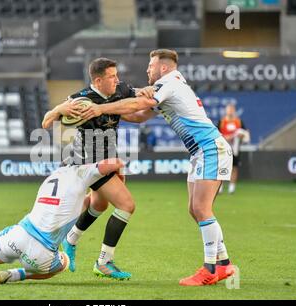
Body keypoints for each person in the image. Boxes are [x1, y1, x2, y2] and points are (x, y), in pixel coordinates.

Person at [78, 49, 236, 286]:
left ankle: (209, 269)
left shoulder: (168, 82)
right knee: (195, 210)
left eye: (150, 66)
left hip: (210, 149)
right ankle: (223, 265)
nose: (147, 70)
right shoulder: (168, 86)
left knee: (202, 209)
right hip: (200, 152)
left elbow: (139, 103)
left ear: (163, 67)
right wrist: (106, 112)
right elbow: (140, 115)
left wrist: (102, 108)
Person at [42, 58, 138, 280]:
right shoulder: (79, 99)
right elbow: (46, 123)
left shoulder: (121, 90)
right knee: (126, 205)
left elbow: (140, 99)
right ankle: (104, 261)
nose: (117, 80)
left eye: (116, 75)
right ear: (98, 80)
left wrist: (153, 93)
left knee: (99, 204)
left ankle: (71, 239)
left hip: (108, 158)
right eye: (112, 76)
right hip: (87, 162)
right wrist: (59, 108)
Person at [217, 104, 250, 194]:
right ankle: (220, 186)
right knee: (221, 166)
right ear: (226, 111)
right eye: (229, 109)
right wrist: (226, 137)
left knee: (234, 167)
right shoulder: (222, 121)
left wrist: (241, 135)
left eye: (232, 109)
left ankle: (232, 187)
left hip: (235, 148)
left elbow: (246, 133)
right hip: (223, 147)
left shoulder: (238, 122)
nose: (230, 111)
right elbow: (216, 134)